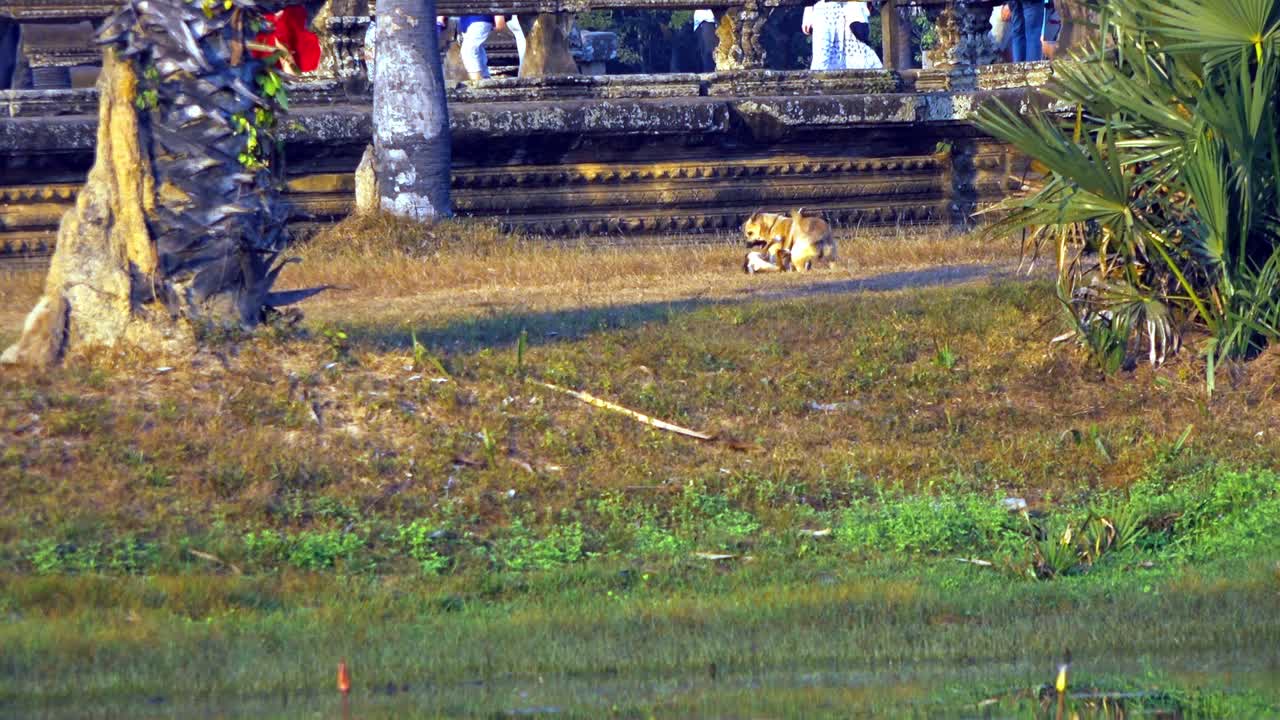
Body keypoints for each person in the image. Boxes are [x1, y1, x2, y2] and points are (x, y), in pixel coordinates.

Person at [802, 1, 881, 71]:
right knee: (822, 59)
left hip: (853, 9)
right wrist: (808, 8)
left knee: (859, 53)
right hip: (825, 10)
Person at [253, 5, 322, 74]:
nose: (285, 60)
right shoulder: (308, 61)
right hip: (299, 8)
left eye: (283, 64)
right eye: (292, 65)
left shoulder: (261, 54)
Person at [459, 14, 510, 80]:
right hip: (467, 18)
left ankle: (477, 82)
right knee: (477, 50)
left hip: (481, 16)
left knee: (469, 50)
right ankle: (484, 78)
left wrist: (499, 15)